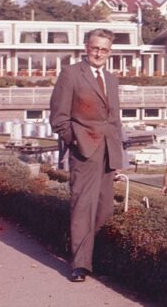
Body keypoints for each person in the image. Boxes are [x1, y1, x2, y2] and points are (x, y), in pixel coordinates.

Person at [49, 29, 124, 283]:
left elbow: (115, 120)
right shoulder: (70, 74)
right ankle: (80, 265)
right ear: (86, 47)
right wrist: (75, 141)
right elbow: (59, 117)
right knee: (83, 206)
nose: (99, 54)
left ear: (110, 52)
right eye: (95, 48)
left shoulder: (112, 80)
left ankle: (90, 255)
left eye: (104, 50)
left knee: (104, 208)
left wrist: (119, 154)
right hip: (84, 151)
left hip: (108, 150)